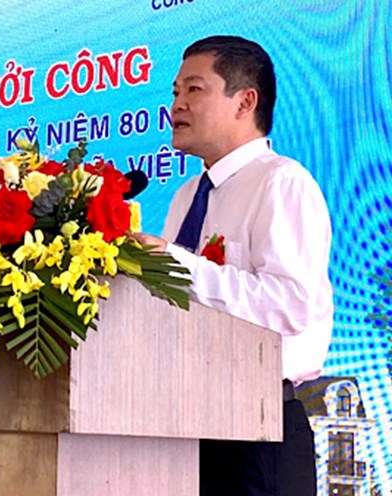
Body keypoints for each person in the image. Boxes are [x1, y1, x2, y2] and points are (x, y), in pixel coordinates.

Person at [132, 35, 333, 496]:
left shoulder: (282, 183)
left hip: (258, 430)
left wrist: (175, 264)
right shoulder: (187, 195)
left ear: (245, 101)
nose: (177, 105)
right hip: (186, 425)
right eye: (175, 92)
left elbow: (290, 306)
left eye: (194, 90)